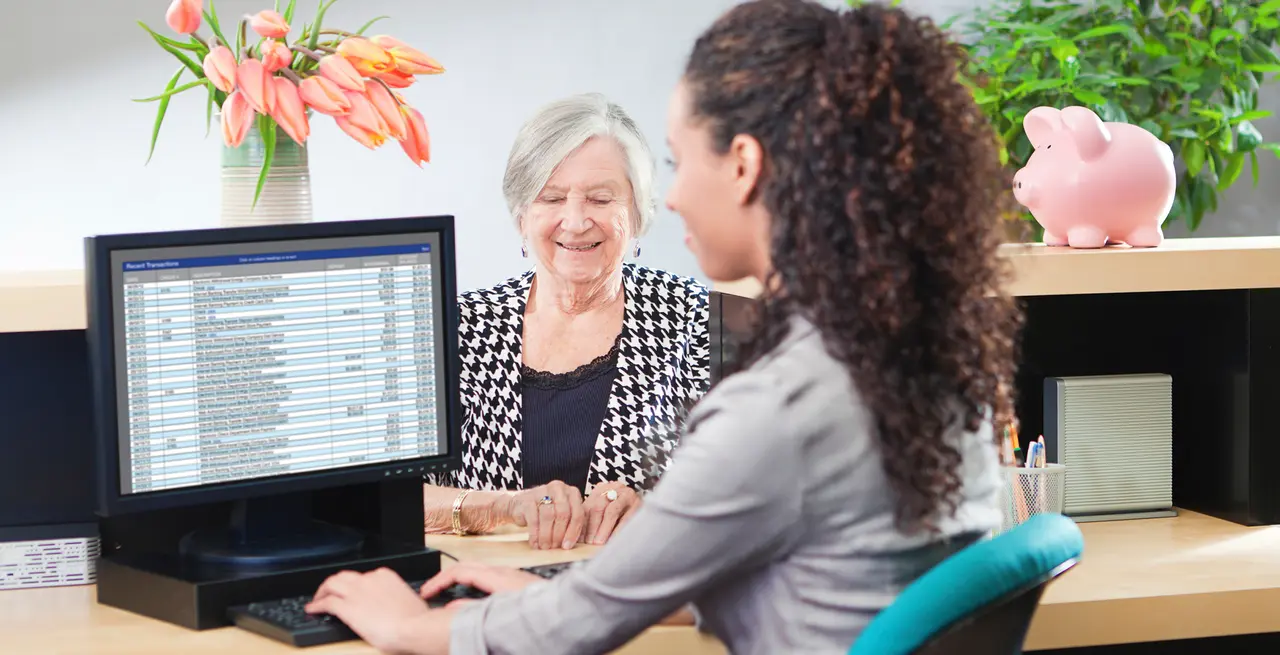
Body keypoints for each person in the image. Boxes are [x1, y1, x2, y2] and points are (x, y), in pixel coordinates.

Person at [305, 0, 1024, 652]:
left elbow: (576, 631)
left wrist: (408, 624)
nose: (673, 196)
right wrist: (570, 594)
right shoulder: (894, 352)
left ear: (743, 166)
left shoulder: (780, 402)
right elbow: (805, 579)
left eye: (679, 162)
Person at [421, 93, 711, 550]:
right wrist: (503, 506)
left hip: (637, 594)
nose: (575, 222)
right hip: (485, 590)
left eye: (600, 198)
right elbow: (385, 500)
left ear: (637, 213)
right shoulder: (456, 326)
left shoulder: (702, 317)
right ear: (522, 216)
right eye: (551, 198)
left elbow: (760, 489)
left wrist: (657, 510)